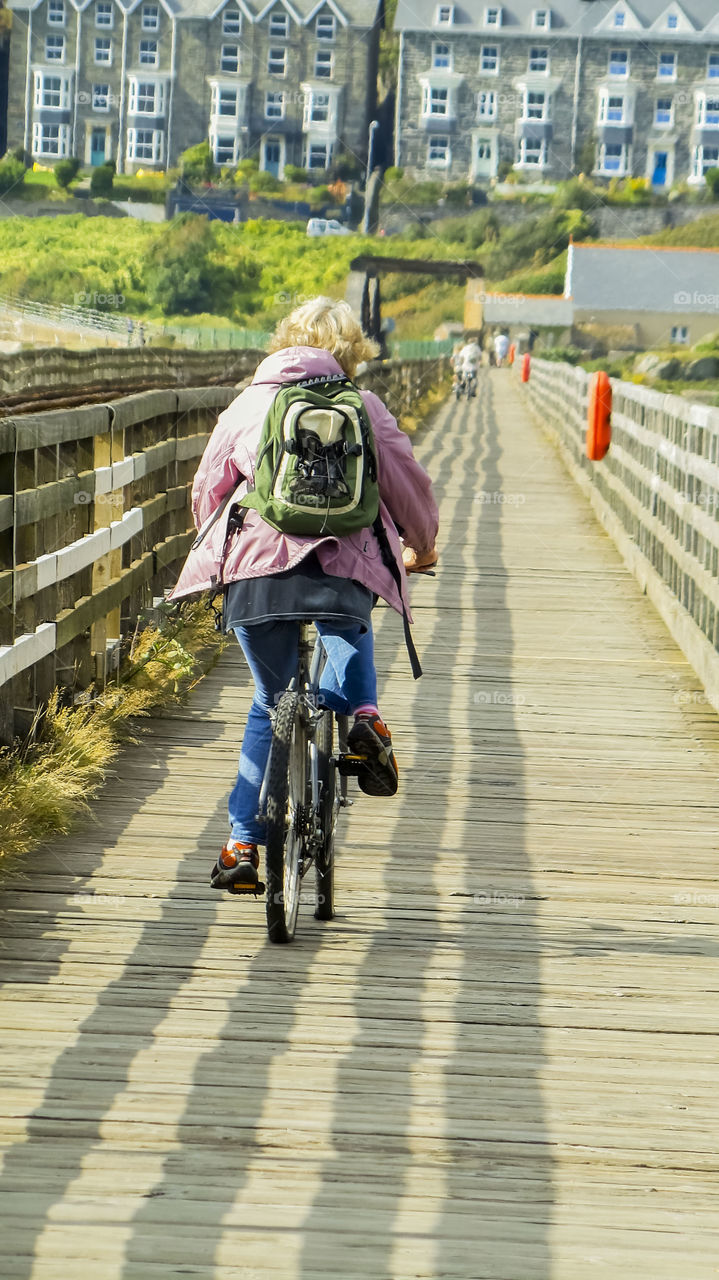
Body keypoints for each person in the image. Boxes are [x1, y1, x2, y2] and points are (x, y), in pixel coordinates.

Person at [170, 298, 439, 893]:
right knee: (348, 622)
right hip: (343, 568)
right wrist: (421, 545)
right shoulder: (363, 407)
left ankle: (242, 846)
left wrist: (221, 554)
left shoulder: (250, 403)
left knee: (271, 700)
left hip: (256, 571)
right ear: (351, 354)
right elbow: (407, 486)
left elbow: (206, 491)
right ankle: (364, 718)